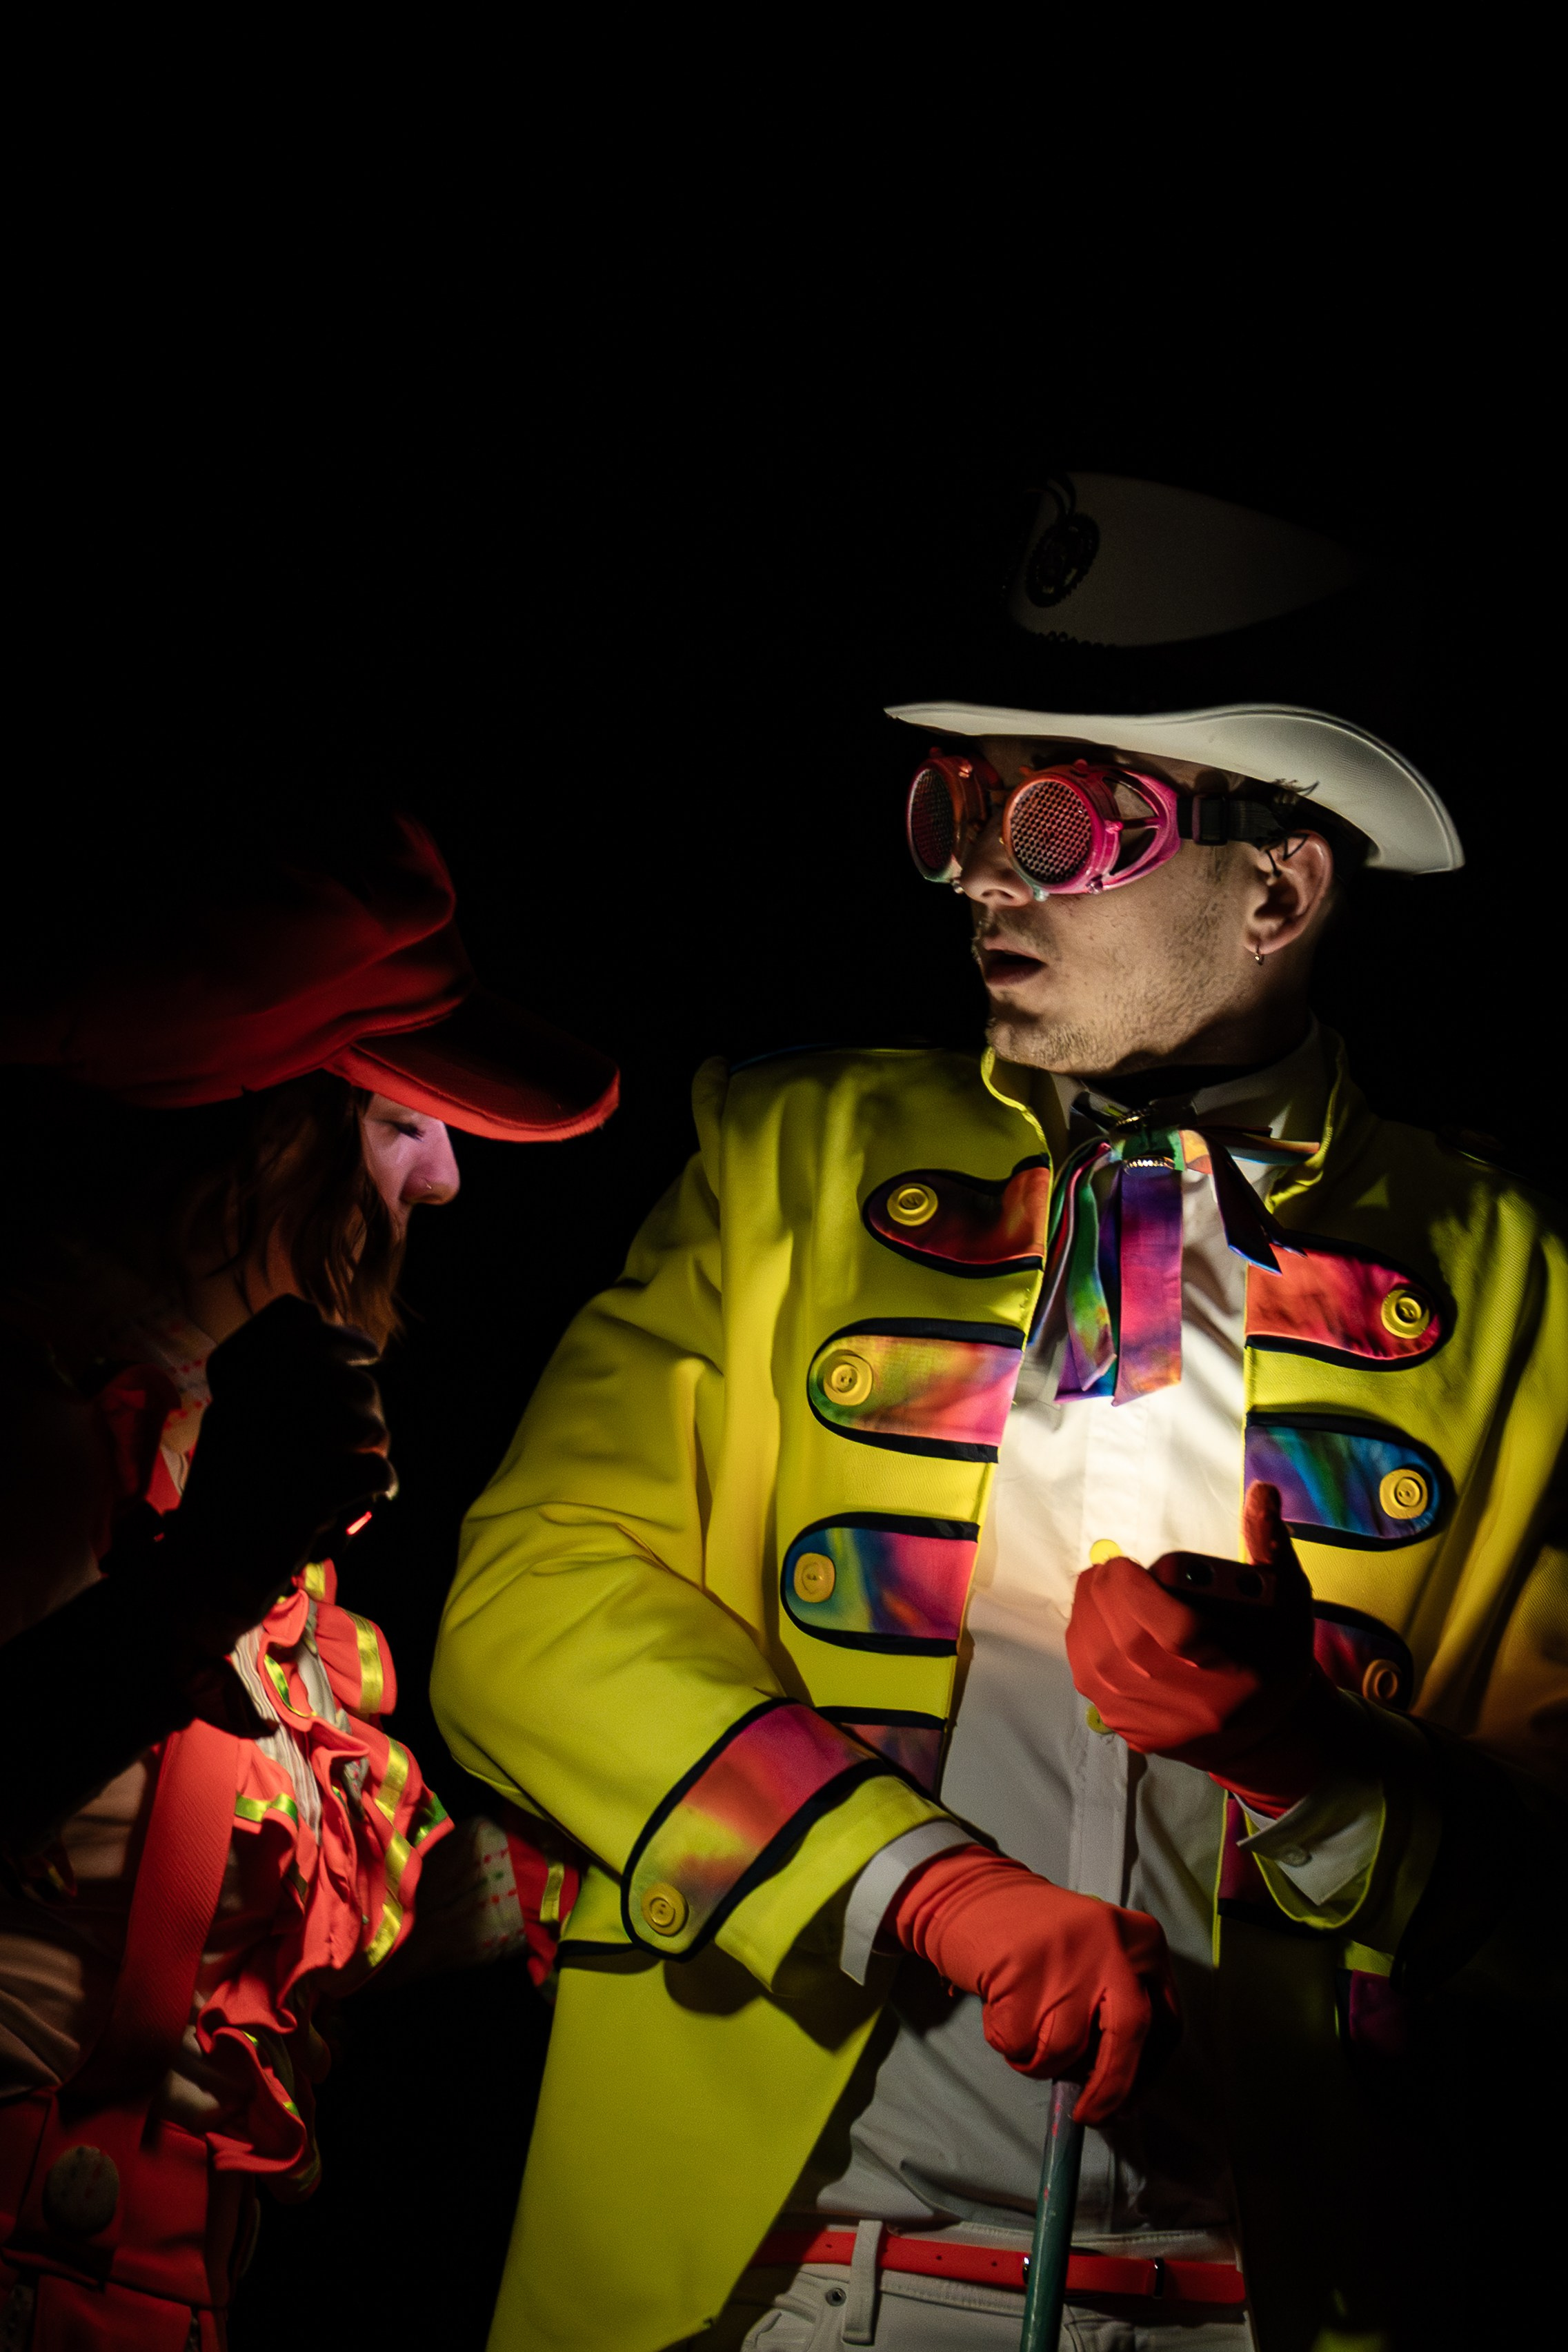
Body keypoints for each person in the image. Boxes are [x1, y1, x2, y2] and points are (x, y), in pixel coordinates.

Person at [433, 477, 1567, 2351]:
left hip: (1277, 2311)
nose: (981, 873)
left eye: (1062, 819)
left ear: (1278, 886)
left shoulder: (1508, 1276)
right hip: (794, 2294)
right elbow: (534, 1603)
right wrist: (924, 1885)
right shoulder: (790, 1162)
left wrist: (1311, 1759)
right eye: (962, 811)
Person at [0, 811, 615, 2347]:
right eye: (404, 1113)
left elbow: (170, 1897)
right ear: (246, 1117)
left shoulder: (211, 1447)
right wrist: (208, 1565)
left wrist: (521, 1886)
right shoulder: (25, 1411)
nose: (447, 1175)